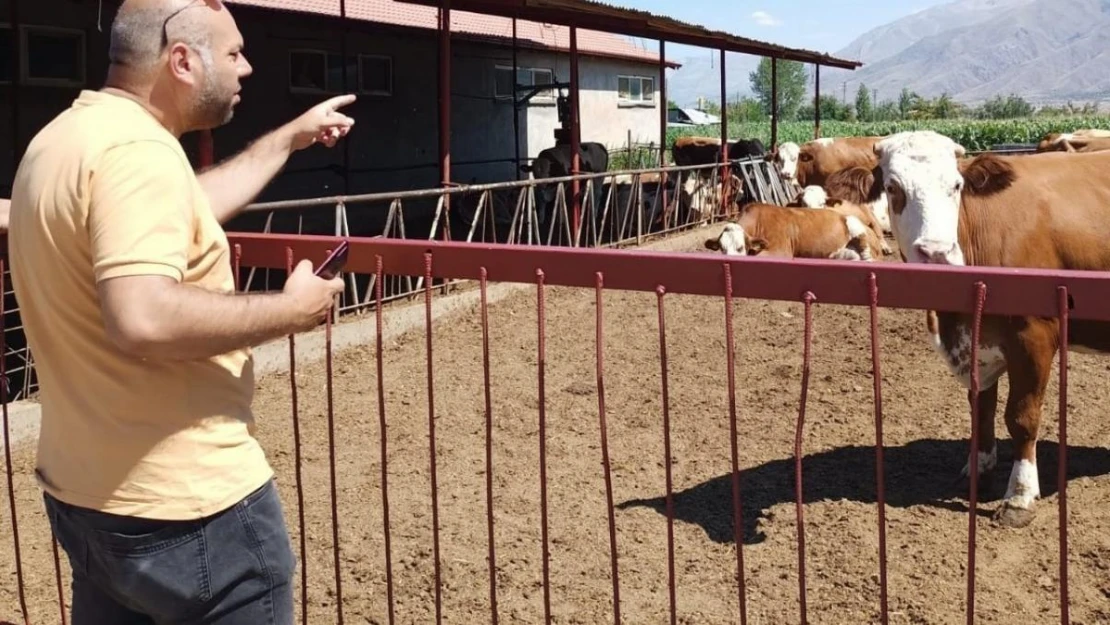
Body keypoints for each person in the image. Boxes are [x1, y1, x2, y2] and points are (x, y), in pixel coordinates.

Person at [7, 0, 355, 622]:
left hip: (90, 499)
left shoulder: (67, 138)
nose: (247, 67)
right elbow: (142, 317)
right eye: (233, 53)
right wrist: (290, 309)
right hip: (191, 509)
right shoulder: (138, 153)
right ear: (182, 61)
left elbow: (171, 211)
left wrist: (288, 138)